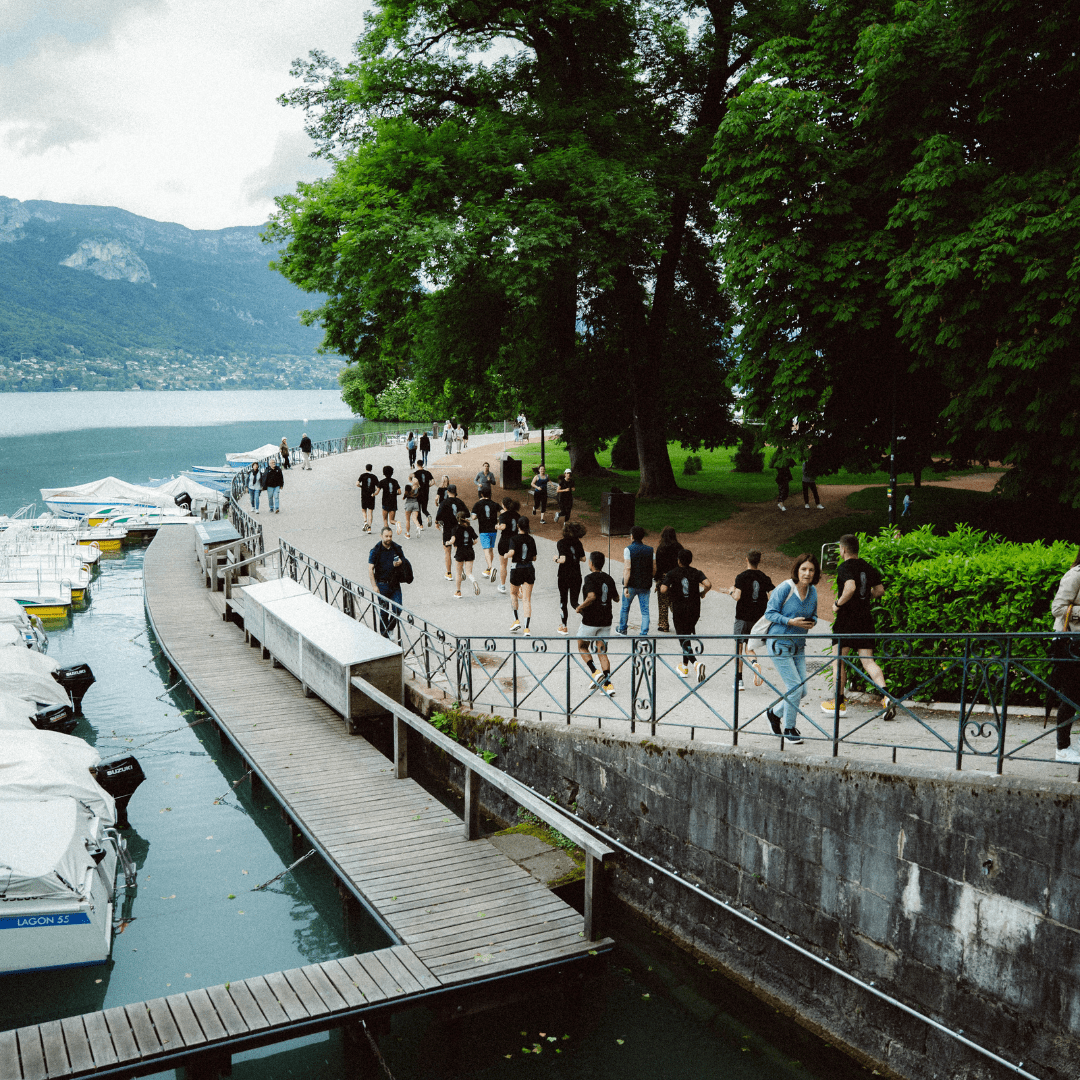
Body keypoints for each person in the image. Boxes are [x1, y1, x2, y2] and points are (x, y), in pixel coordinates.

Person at [820, 534, 890, 717]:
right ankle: (887, 697)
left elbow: (850, 587)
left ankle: (838, 702)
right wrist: (865, 598)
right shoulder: (867, 567)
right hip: (865, 619)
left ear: (843, 550)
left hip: (846, 620)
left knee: (838, 660)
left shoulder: (844, 567)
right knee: (868, 661)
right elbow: (880, 590)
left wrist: (838, 604)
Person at [762, 553, 820, 744]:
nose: (807, 573)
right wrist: (789, 621)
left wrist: (813, 622)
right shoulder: (786, 587)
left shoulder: (813, 592)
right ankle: (789, 728)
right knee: (795, 687)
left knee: (802, 690)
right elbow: (769, 612)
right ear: (797, 570)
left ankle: (774, 713)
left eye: (811, 570)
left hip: (798, 646)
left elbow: (815, 615)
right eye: (803, 569)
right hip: (779, 643)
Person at [661, 549, 711, 681]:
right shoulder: (696, 572)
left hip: (679, 609)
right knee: (686, 636)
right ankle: (684, 667)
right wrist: (703, 593)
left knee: (682, 637)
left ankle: (695, 663)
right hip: (694, 609)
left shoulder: (672, 573)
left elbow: (663, 589)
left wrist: (670, 590)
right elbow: (708, 584)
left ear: (678, 560)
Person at [1050, 550, 1080, 763]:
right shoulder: (1075, 574)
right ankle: (1062, 748)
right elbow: (1057, 608)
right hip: (1070, 644)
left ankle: (1066, 745)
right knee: (1072, 694)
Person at [729, 551, 773, 690]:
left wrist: (731, 591)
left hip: (742, 617)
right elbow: (772, 596)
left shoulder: (741, 577)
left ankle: (739, 680)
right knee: (750, 647)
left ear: (746, 559)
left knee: (739, 649)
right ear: (759, 561)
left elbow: (737, 597)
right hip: (757, 618)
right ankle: (754, 664)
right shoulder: (765, 578)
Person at [576, 551, 618, 696]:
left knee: (582, 646)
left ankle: (595, 672)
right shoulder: (609, 578)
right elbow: (617, 598)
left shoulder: (589, 578)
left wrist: (581, 607)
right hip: (606, 619)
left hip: (591, 619)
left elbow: (592, 596)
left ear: (591, 563)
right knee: (602, 650)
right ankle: (608, 684)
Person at [368, 526, 406, 637]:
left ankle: (390, 628)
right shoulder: (376, 550)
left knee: (398, 608)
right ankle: (384, 636)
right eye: (386, 536)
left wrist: (400, 561)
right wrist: (374, 586)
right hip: (382, 584)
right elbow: (370, 568)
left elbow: (404, 560)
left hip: (394, 584)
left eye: (390, 536)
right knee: (384, 611)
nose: (388, 538)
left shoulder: (396, 548)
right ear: (381, 536)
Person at [617, 525, 654, 636]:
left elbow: (627, 568)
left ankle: (622, 628)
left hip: (632, 583)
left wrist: (625, 585)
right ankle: (643, 633)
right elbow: (654, 568)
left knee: (625, 607)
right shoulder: (650, 550)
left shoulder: (628, 549)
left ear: (632, 536)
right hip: (645, 584)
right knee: (645, 611)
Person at [554, 521, 587, 635]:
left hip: (564, 575)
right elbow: (583, 559)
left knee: (563, 600)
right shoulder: (578, 543)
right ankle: (588, 618)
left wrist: (555, 559)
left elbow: (562, 559)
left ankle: (564, 626)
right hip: (576, 575)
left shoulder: (561, 543)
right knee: (574, 602)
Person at [508, 516, 537, 634]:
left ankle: (516, 620)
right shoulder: (531, 539)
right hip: (529, 568)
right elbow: (534, 557)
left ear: (518, 526)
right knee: (526, 599)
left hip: (517, 568)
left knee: (513, 593)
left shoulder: (514, 539)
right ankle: (527, 628)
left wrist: (506, 555)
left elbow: (512, 553)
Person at [436, 484, 469, 580]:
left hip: (447, 528)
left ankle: (449, 573)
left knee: (447, 551)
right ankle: (460, 570)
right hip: (458, 528)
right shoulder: (460, 502)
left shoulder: (444, 502)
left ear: (447, 492)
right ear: (456, 492)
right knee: (458, 549)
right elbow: (467, 513)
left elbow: (438, 516)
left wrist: (437, 522)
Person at [654, 526, 683, 633]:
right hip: (676, 577)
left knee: (663, 601)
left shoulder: (661, 548)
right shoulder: (679, 547)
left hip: (664, 577)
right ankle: (680, 622)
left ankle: (663, 624)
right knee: (675, 600)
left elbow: (658, 566)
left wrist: (657, 581)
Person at [472, 484, 500, 582]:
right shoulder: (494, 503)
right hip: (493, 530)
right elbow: (503, 511)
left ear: (482, 494)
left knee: (486, 550)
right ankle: (488, 569)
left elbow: (473, 517)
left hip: (484, 530)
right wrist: (498, 520)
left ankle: (491, 568)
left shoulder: (478, 504)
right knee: (491, 550)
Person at [449, 511, 480, 597]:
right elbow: (476, 540)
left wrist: (448, 542)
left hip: (460, 551)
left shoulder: (455, 528)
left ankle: (458, 591)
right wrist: (470, 544)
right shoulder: (470, 528)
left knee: (458, 573)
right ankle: (473, 581)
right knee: (469, 572)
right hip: (470, 551)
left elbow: (452, 540)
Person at [495, 497, 521, 594]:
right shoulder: (517, 515)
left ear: (503, 505)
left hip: (505, 541)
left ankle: (502, 585)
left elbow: (503, 526)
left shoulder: (503, 516)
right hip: (515, 541)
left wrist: (497, 526)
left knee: (503, 564)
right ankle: (519, 585)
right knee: (516, 563)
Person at [356, 464, 379, 533]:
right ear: (371, 469)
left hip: (364, 495)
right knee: (370, 511)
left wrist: (361, 486)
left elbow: (357, 483)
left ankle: (365, 521)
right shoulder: (374, 477)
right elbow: (378, 487)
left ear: (366, 468)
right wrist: (374, 493)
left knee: (364, 509)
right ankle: (369, 528)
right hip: (371, 495)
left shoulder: (362, 475)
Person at [378, 464, 402, 533]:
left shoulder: (382, 482)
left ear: (384, 473)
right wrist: (394, 494)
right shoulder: (395, 481)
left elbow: (377, 491)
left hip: (385, 502)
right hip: (393, 502)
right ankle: (397, 523)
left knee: (385, 519)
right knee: (391, 520)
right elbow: (400, 492)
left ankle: (386, 533)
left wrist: (373, 494)